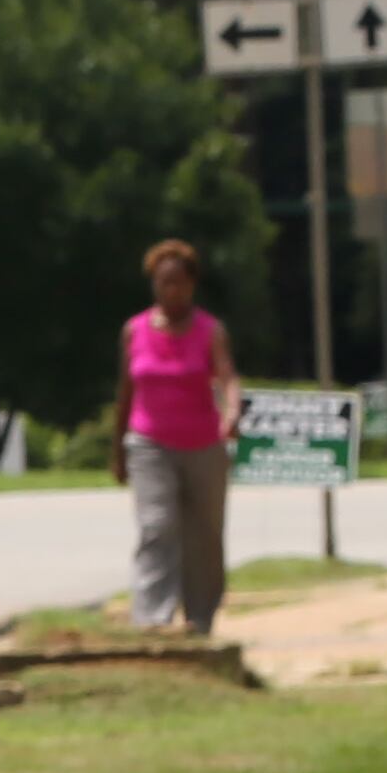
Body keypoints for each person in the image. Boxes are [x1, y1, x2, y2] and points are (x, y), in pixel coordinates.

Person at [118, 238, 241, 632]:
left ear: (192, 284)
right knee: (157, 525)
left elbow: (228, 377)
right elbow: (126, 391)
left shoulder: (210, 330)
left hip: (204, 444)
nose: (170, 290)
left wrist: (232, 411)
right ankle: (152, 619)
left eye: (178, 282)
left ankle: (200, 618)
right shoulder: (134, 330)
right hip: (149, 442)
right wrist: (116, 448)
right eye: (162, 282)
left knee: (204, 534)